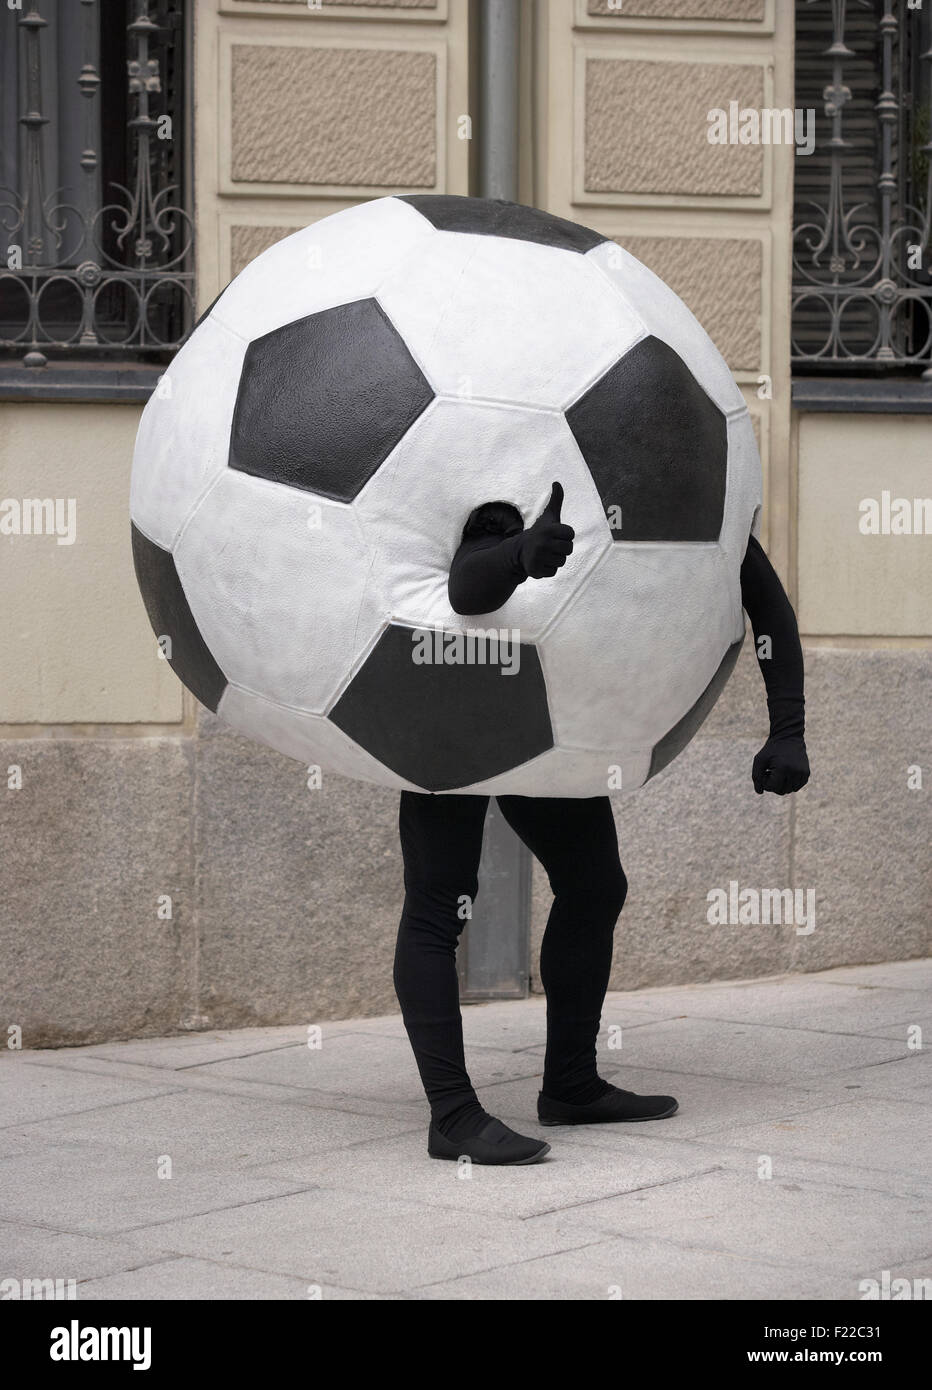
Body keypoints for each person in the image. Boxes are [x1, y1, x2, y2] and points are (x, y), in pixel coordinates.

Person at [393, 484, 810, 1165]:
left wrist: (787, 728)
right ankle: (452, 1115)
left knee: (594, 886)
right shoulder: (528, 475)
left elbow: (766, 604)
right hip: (454, 715)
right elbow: (466, 589)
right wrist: (518, 555)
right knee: (441, 905)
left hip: (551, 730)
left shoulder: (685, 493)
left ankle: (571, 1086)